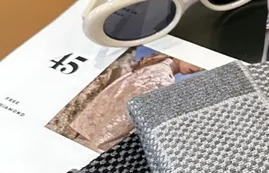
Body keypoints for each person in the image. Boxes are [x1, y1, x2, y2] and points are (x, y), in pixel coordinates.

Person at [69, 52, 201, 151]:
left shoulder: (153, 68)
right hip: (101, 141)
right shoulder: (163, 79)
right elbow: (129, 116)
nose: (199, 69)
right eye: (199, 60)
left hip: (87, 132)